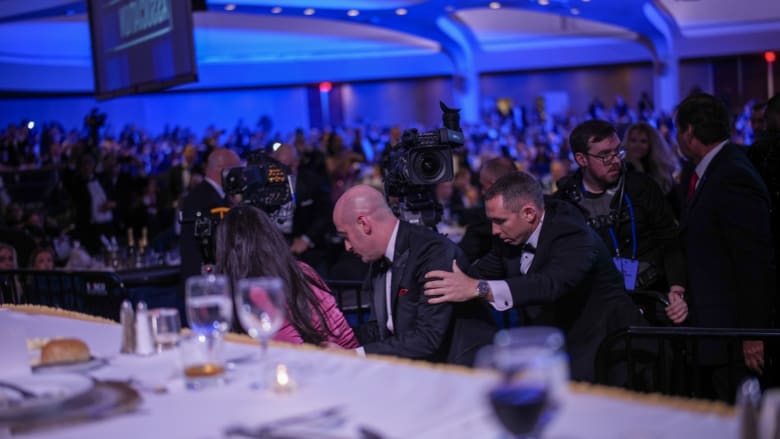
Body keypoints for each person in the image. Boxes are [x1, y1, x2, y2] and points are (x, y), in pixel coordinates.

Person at [423, 171, 643, 382]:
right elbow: (476, 274)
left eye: (500, 221)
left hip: (608, 349)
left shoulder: (573, 234)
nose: (494, 231)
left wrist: (478, 288)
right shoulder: (509, 236)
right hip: (552, 342)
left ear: (529, 213)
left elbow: (549, 285)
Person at [675, 92, 775, 401]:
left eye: (678, 130)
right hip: (716, 333)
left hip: (734, 339)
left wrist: (752, 334)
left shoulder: (732, 174)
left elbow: (754, 262)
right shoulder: (712, 170)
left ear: (690, 132)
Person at [332, 185, 494, 364]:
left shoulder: (433, 253)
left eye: (345, 235)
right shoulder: (378, 259)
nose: (347, 247)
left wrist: (356, 355)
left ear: (364, 224)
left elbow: (427, 339)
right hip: (421, 369)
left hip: (462, 372)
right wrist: (336, 338)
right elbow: (381, 329)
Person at [556, 120, 687, 325]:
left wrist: (677, 290)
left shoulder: (642, 187)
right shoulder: (564, 202)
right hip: (595, 308)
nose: (615, 160)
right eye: (605, 155)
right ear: (581, 159)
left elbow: (670, 241)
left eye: (618, 151)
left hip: (651, 298)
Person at [215, 205, 358, 348]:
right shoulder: (301, 270)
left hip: (328, 363)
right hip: (353, 359)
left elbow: (291, 354)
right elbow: (342, 334)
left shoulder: (258, 292)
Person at [179, 148, 241, 321]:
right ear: (224, 170)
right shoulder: (203, 199)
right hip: (205, 287)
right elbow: (212, 244)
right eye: (237, 170)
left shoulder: (214, 196)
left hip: (210, 283)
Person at [271, 144, 334, 274]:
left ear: (296, 163)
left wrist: (306, 239)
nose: (281, 171)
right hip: (275, 246)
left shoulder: (313, 182)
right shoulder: (266, 184)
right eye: (278, 166)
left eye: (287, 166)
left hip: (309, 247)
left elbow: (325, 214)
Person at [458, 157, 516, 263]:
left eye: (483, 186)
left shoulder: (481, 222)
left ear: (494, 185)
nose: (482, 192)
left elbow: (462, 257)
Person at [623, 122, 678, 195]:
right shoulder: (623, 169)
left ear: (652, 144)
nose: (637, 145)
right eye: (633, 140)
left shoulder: (661, 170)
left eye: (643, 141)